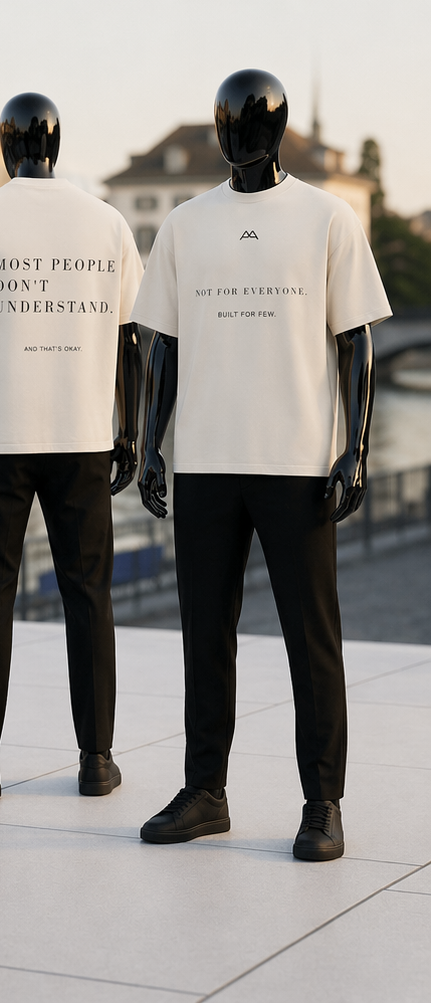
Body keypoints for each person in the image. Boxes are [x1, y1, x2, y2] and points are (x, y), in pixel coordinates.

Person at [133, 69, 390, 861]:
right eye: (227, 122)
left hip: (297, 459)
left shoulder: (327, 218)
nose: (237, 136)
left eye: (250, 123)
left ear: (274, 133)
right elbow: (162, 346)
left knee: (313, 638)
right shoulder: (185, 223)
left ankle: (323, 802)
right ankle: (205, 791)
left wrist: (356, 445)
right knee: (203, 635)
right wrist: (151, 442)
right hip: (205, 457)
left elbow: (356, 339)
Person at [0, 93, 143, 801]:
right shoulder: (107, 223)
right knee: (89, 598)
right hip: (82, 436)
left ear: (8, 145)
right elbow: (130, 339)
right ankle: (97, 760)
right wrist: (131, 431)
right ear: (56, 143)